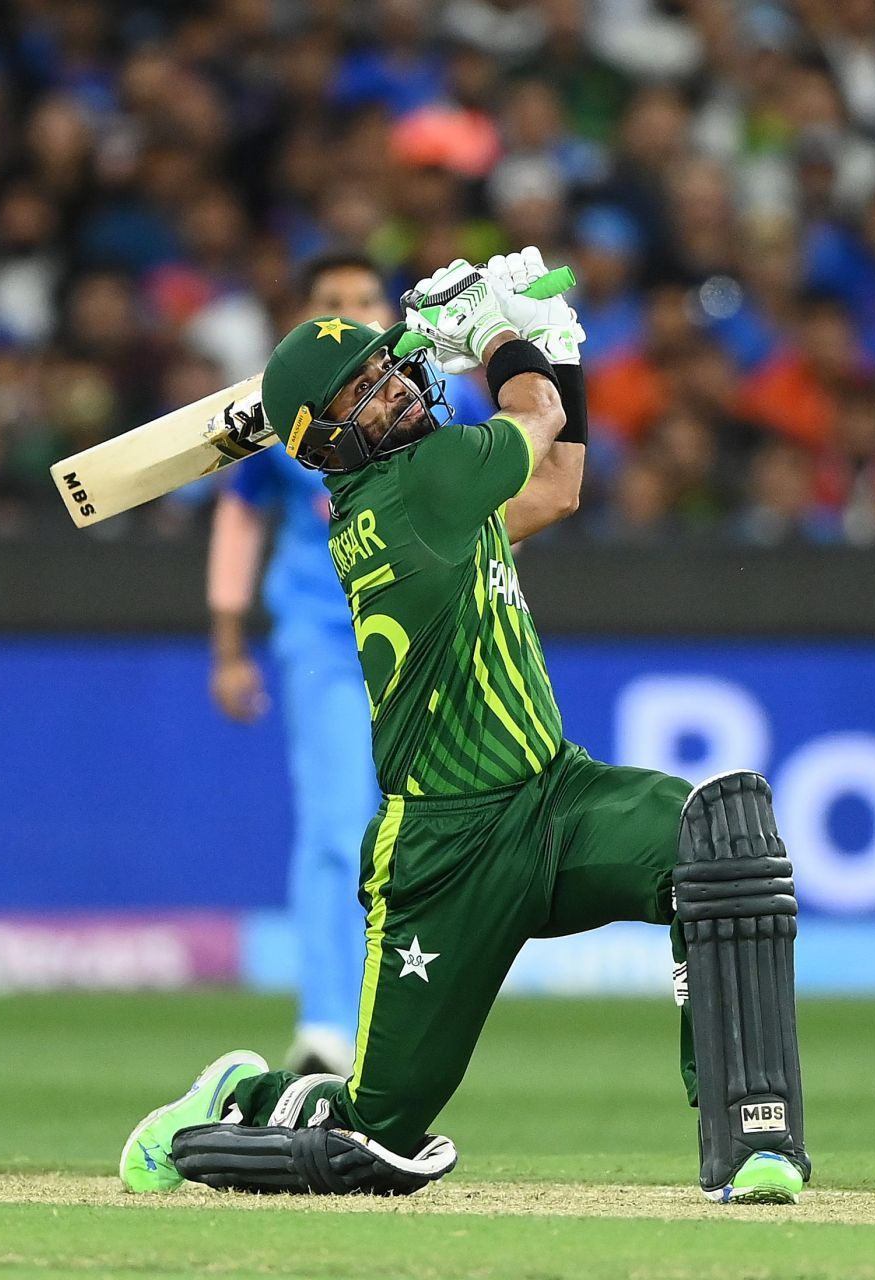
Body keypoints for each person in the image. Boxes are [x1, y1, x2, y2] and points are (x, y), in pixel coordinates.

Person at [124, 251, 810, 1205]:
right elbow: (537, 420)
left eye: (382, 367)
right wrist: (501, 334)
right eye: (362, 390)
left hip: (555, 797)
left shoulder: (431, 487)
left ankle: (751, 1142)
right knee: (377, 1136)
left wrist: (551, 353)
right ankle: (238, 1100)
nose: (394, 387)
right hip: (445, 850)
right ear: (324, 443)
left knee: (721, 838)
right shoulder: (416, 491)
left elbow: (559, 483)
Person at [207, 254, 501, 1075]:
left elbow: (501, 504)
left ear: (388, 310)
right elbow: (237, 524)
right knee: (339, 828)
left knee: (430, 828)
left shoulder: (450, 395)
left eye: (362, 300)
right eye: (329, 303)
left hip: (428, 633)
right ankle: (330, 1026)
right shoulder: (275, 413)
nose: (347, 312)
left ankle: (408, 1019)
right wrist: (229, 644)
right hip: (325, 636)